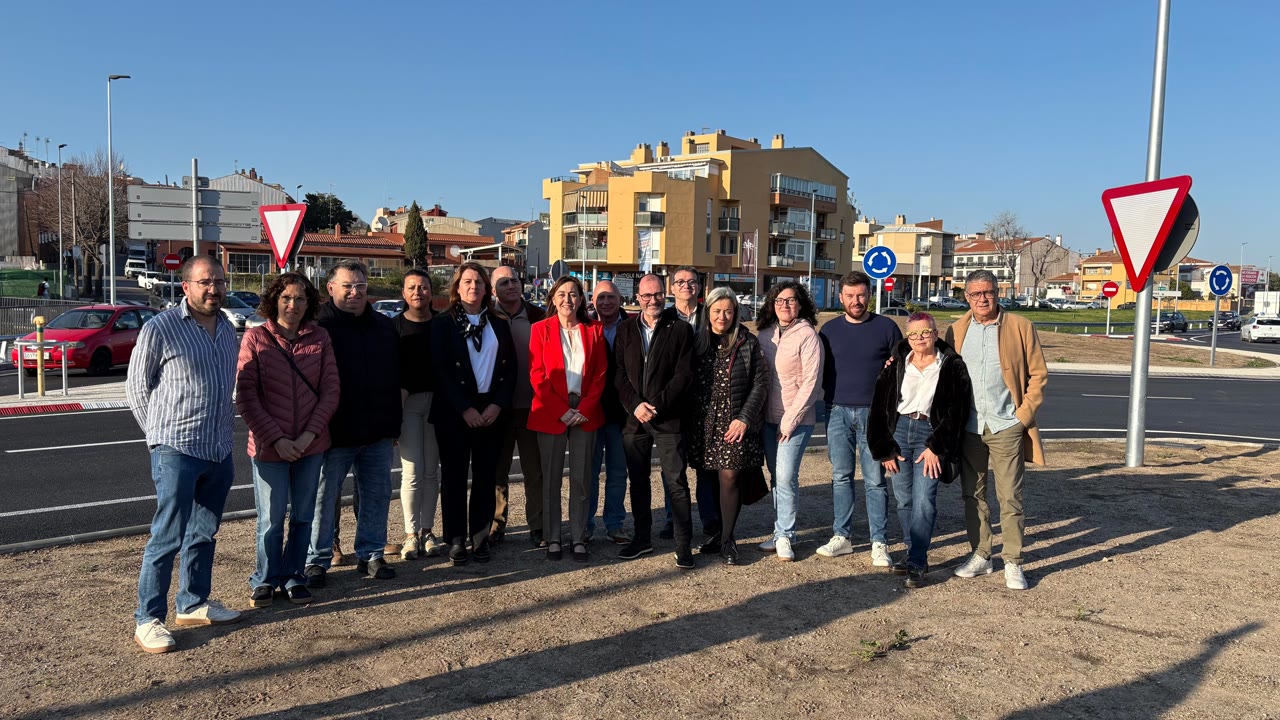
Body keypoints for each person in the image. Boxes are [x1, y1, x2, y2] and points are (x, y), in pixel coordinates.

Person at [126, 256, 241, 654]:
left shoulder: (227, 329)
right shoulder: (161, 328)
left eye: (219, 281)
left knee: (204, 532)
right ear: (186, 286)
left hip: (218, 448)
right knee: (167, 535)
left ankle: (193, 603)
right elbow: (137, 388)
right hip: (177, 448)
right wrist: (159, 437)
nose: (214, 289)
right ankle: (148, 619)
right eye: (205, 282)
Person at [236, 272, 340, 607]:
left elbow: (331, 391)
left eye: (300, 298)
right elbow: (247, 397)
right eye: (286, 298)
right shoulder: (255, 338)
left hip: (311, 445)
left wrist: (309, 435)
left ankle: (294, 575)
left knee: (303, 516)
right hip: (269, 447)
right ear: (274, 300)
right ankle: (266, 578)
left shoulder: (320, 338)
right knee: (271, 519)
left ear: (309, 304)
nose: (292, 305)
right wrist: (278, 439)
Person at [946, 270, 1048, 591]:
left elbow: (1038, 375)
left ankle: (1013, 561)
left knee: (1010, 497)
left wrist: (1022, 416)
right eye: (976, 294)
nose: (983, 299)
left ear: (997, 293)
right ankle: (981, 554)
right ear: (966, 297)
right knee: (972, 494)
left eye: (988, 292)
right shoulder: (956, 330)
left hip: (1006, 425)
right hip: (970, 427)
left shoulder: (1020, 327)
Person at [305, 259, 402, 587]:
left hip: (377, 431)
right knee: (323, 497)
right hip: (333, 432)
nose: (354, 292)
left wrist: (394, 426)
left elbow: (394, 377)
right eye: (347, 286)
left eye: (360, 286)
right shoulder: (318, 328)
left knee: (377, 494)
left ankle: (371, 554)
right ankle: (316, 560)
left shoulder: (383, 326)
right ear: (330, 288)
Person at [868, 312, 972, 588]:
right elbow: (879, 406)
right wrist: (884, 448)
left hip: (930, 433)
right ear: (907, 336)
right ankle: (913, 552)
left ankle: (916, 560)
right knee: (904, 499)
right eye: (913, 333)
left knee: (924, 498)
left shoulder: (951, 365)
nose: (919, 338)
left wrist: (937, 447)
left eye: (925, 332)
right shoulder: (896, 364)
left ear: (936, 334)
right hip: (900, 431)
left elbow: (957, 410)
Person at [431, 262, 516, 565]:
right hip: (455, 411)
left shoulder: (499, 322)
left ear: (486, 288)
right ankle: (456, 539)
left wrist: (497, 404)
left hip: (491, 409)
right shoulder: (443, 323)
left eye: (479, 282)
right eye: (467, 282)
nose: (473, 287)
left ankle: (480, 537)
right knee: (454, 477)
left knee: (485, 476)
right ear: (457, 287)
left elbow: (510, 369)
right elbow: (439, 371)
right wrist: (464, 408)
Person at [818, 270, 904, 566]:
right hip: (836, 411)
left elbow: (902, 367)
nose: (856, 301)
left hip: (874, 413)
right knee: (841, 476)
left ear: (869, 295)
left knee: (875, 480)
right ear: (841, 297)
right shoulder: (828, 331)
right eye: (850, 296)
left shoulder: (886, 327)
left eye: (861, 295)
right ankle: (841, 536)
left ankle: (879, 541)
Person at [613, 273, 697, 568]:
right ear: (637, 297)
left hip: (668, 419)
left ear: (666, 294)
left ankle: (683, 544)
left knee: (676, 482)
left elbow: (684, 375)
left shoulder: (681, 329)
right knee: (638, 482)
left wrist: (656, 406)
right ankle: (642, 539)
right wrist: (636, 405)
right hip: (634, 420)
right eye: (647, 295)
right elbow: (618, 374)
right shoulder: (625, 329)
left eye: (658, 294)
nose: (653, 300)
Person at [528, 276, 608, 562]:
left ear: (581, 299)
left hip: (585, 411)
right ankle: (553, 537)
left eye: (573, 294)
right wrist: (559, 410)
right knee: (550, 479)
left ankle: (578, 537)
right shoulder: (540, 329)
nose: (567, 299)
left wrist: (584, 408)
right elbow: (537, 374)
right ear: (553, 298)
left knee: (582, 478)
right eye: (561, 294)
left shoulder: (594, 330)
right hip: (552, 410)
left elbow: (600, 373)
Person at [686, 288, 768, 565]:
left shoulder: (747, 342)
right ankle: (715, 531)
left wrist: (745, 417)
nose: (722, 317)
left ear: (736, 313)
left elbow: (760, 383)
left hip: (734, 420)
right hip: (703, 421)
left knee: (730, 476)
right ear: (708, 312)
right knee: (707, 477)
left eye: (728, 311)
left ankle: (727, 539)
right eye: (717, 311)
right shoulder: (697, 341)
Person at [755, 281, 823, 562]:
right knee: (776, 476)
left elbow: (811, 383)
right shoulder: (764, 335)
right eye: (779, 300)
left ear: (801, 304)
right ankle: (780, 530)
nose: (785, 305)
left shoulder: (807, 336)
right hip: (768, 419)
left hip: (796, 420)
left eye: (791, 300)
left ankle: (785, 535)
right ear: (772, 304)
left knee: (785, 476)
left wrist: (790, 421)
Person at [490, 265, 547, 546]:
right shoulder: (485, 317)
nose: (511, 285)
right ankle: (496, 524)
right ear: (493, 290)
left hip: (532, 406)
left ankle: (537, 525)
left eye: (514, 280)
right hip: (496, 408)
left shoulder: (539, 316)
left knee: (534, 471)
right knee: (497, 471)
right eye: (503, 282)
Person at [394, 268, 444, 560]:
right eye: (411, 287)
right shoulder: (394, 327)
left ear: (431, 291)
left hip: (438, 404)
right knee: (411, 472)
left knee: (431, 471)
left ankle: (428, 531)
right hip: (407, 404)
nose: (417, 292)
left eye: (423, 287)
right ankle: (410, 534)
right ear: (403, 293)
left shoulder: (443, 324)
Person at [671, 265, 716, 547]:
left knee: (705, 467)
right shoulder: (664, 317)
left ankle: (710, 522)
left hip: (706, 403)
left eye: (692, 282)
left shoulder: (710, 315)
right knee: (673, 467)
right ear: (671, 287)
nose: (686, 286)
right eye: (680, 282)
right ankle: (673, 520)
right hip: (673, 403)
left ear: (699, 287)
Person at [586, 280, 630, 545]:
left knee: (617, 472)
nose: (605, 302)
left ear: (620, 300)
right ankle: (586, 525)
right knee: (588, 473)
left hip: (622, 413)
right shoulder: (585, 326)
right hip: (590, 412)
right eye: (600, 298)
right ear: (593, 301)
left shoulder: (632, 326)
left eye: (611, 297)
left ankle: (615, 524)